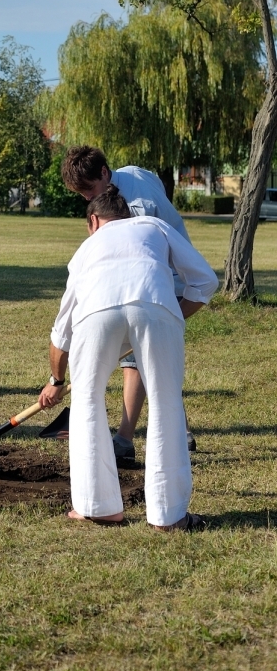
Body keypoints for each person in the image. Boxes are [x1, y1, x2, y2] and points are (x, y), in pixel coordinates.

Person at [39, 185, 218, 529]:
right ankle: (169, 516)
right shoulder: (154, 225)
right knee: (166, 403)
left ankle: (98, 506)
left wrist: (56, 380)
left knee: (87, 402)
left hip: (95, 315)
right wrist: (168, 315)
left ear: (93, 220)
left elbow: (61, 334)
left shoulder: (86, 249)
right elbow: (205, 281)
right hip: (156, 304)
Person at [61, 145, 196, 458]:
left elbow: (136, 254)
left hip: (163, 279)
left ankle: (124, 440)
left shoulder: (136, 208)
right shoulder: (134, 172)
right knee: (154, 355)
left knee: (136, 358)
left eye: (90, 189)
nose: (86, 198)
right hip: (159, 277)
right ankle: (183, 430)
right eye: (80, 193)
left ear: (105, 174)